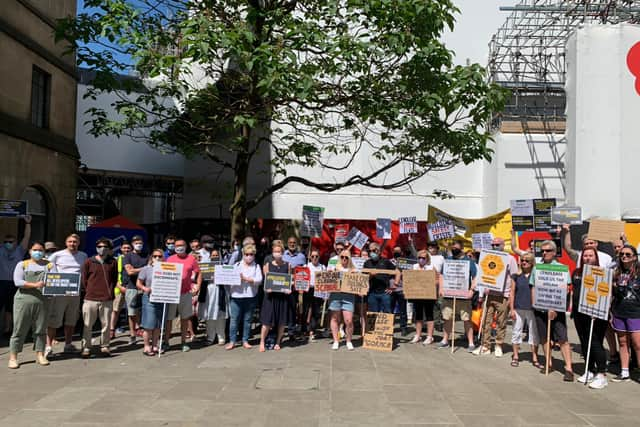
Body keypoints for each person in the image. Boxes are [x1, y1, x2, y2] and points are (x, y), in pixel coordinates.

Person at [530, 240, 574, 381]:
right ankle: (548, 363)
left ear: (554, 252)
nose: (544, 253)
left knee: (562, 339)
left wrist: (554, 308)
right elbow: (533, 286)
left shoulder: (562, 268)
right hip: (540, 309)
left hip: (557, 310)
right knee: (544, 338)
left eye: (547, 250)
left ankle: (568, 368)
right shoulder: (537, 268)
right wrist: (534, 305)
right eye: (542, 251)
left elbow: (566, 289)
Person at [8, 242, 52, 369]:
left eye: (40, 250)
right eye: (35, 250)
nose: (37, 252)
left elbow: (55, 280)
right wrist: (35, 285)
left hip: (42, 300)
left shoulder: (49, 265)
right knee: (19, 328)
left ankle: (40, 354)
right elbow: (18, 281)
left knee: (41, 328)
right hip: (23, 299)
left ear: (44, 252)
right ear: (30, 251)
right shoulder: (22, 264)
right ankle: (13, 357)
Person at [473, 237, 518, 357]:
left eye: (497, 244)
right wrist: (481, 295)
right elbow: (482, 276)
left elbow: (514, 278)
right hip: (489, 294)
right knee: (485, 321)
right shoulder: (488, 257)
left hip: (503, 295)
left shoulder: (510, 259)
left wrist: (511, 297)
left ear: (503, 245)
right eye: (493, 245)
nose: (494, 247)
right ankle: (485, 345)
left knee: (501, 322)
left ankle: (498, 345)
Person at [571, 248, 609, 388]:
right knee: (584, 341)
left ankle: (601, 373)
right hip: (579, 313)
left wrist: (599, 310)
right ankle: (590, 370)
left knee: (595, 343)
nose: (587, 258)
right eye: (585, 255)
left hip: (595, 314)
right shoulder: (577, 273)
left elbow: (606, 293)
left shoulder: (601, 273)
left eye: (590, 255)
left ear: (595, 257)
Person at [46, 234, 88, 356]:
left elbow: (84, 272)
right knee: (54, 319)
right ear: (66, 243)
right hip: (59, 292)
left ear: (78, 243)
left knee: (71, 319)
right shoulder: (57, 255)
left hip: (75, 292)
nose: (72, 244)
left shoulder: (83, 256)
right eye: (70, 241)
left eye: (75, 242)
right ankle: (48, 346)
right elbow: (48, 270)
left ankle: (68, 344)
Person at [80, 238, 118, 358]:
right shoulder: (89, 262)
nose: (102, 248)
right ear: (96, 247)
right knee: (87, 324)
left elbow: (114, 278)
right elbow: (84, 279)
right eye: (100, 246)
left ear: (109, 249)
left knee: (106, 325)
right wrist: (89, 291)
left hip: (107, 298)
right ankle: (86, 347)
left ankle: (105, 346)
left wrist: (110, 292)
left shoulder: (112, 262)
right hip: (90, 298)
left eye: (105, 247)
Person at [438, 240, 477, 352]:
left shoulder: (469, 261)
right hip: (449, 294)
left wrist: (471, 290)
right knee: (447, 318)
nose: (454, 249)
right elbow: (441, 275)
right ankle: (445, 340)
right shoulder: (448, 260)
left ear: (462, 248)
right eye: (453, 248)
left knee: (467, 319)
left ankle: (470, 343)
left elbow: (475, 277)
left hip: (464, 295)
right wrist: (441, 288)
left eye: (456, 248)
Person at [610, 244, 640, 383]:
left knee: (637, 345)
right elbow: (610, 294)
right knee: (622, 343)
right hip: (619, 312)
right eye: (622, 254)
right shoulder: (615, 273)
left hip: (636, 313)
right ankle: (624, 372)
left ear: (634, 257)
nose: (624, 257)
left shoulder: (639, 272)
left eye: (628, 254)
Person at [166, 239, 201, 352]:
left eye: (181, 245)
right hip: (172, 293)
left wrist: (198, 286)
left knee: (185, 318)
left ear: (186, 246)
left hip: (186, 293)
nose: (179, 247)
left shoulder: (191, 259)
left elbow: (199, 272)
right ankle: (166, 342)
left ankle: (183, 342)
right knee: (169, 319)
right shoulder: (170, 259)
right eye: (177, 245)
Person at [226, 244, 262, 349]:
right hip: (236, 296)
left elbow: (259, 280)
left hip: (250, 296)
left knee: (247, 319)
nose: (249, 256)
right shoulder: (236, 265)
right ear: (243, 254)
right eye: (247, 254)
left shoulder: (256, 266)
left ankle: (245, 340)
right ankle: (232, 341)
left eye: (251, 254)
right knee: (234, 319)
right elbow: (227, 280)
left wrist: (247, 279)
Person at [259, 241, 293, 352]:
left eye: (279, 251)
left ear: (283, 252)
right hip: (270, 297)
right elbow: (266, 281)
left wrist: (289, 287)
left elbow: (289, 280)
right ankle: (262, 342)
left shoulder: (288, 265)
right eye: (275, 251)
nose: (277, 253)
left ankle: (278, 342)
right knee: (267, 322)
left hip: (282, 297)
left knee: (281, 322)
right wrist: (267, 287)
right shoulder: (267, 265)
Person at [0, 215, 31, 334]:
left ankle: (8, 328)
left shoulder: (20, 250)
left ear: (15, 242)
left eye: (10, 242)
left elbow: (26, 237)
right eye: (6, 242)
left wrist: (28, 223)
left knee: (10, 307)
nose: (8, 243)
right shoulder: (1, 249)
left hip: (14, 283)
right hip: (1, 282)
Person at [508, 252, 540, 368]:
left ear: (532, 262)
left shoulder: (536, 275)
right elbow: (512, 293)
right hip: (518, 307)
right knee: (516, 331)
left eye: (527, 260)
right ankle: (515, 356)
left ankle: (535, 357)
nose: (524, 262)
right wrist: (511, 309)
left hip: (533, 309)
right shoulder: (515, 275)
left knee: (534, 334)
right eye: (522, 260)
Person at [403, 249, 437, 345]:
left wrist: (431, 284)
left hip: (428, 295)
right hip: (417, 295)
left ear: (427, 259)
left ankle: (430, 336)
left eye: (423, 258)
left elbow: (437, 279)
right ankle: (418, 335)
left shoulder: (431, 267)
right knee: (418, 315)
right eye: (419, 257)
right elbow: (409, 279)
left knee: (429, 315)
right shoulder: (414, 266)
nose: (421, 259)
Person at [137, 249, 165, 356]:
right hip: (149, 298)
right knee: (148, 324)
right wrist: (144, 288)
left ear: (163, 257)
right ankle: (146, 346)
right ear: (151, 258)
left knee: (158, 324)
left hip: (161, 298)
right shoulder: (146, 269)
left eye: (160, 256)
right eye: (155, 256)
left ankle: (155, 345)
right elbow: (138, 283)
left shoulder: (167, 269)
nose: (157, 258)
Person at [329, 250, 357, 350]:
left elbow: (359, 282)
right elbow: (327, 278)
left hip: (348, 296)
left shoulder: (354, 268)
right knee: (334, 318)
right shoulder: (334, 266)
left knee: (348, 320)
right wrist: (331, 273)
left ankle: (349, 340)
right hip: (335, 295)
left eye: (346, 257)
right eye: (342, 257)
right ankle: (336, 340)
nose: (344, 259)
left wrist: (355, 274)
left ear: (349, 259)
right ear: (339, 258)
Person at [123, 235, 148, 345]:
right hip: (132, 287)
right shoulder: (128, 256)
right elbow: (130, 272)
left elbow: (152, 269)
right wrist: (145, 269)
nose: (139, 245)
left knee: (146, 312)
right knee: (132, 313)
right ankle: (132, 335)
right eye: (136, 243)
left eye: (140, 243)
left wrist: (136, 270)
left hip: (145, 287)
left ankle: (147, 334)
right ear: (132, 244)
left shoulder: (147, 255)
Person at [363, 242, 395, 313]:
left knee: (387, 314)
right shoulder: (367, 263)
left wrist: (393, 286)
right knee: (373, 315)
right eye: (369, 251)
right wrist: (371, 275)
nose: (371, 252)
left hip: (385, 293)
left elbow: (396, 272)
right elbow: (363, 279)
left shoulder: (386, 261)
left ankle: (386, 325)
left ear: (379, 251)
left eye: (374, 250)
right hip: (372, 293)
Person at [110, 241, 131, 339]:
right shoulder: (117, 260)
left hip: (131, 287)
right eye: (124, 248)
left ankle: (134, 331)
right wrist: (119, 286)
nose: (126, 250)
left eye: (128, 248)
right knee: (115, 310)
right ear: (121, 249)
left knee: (133, 311)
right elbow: (113, 275)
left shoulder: (133, 258)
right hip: (119, 288)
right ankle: (111, 330)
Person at [306, 249, 326, 341]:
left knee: (316, 311)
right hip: (308, 290)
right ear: (310, 257)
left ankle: (312, 331)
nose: (314, 258)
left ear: (319, 257)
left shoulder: (322, 267)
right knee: (306, 310)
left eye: (316, 256)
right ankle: (305, 329)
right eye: (312, 256)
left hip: (318, 290)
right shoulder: (306, 266)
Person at [390, 246, 408, 336]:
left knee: (403, 310)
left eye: (398, 251)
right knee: (390, 310)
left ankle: (403, 327)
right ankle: (389, 327)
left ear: (401, 252)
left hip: (402, 289)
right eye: (395, 251)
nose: (396, 252)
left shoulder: (406, 262)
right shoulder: (389, 262)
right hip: (391, 289)